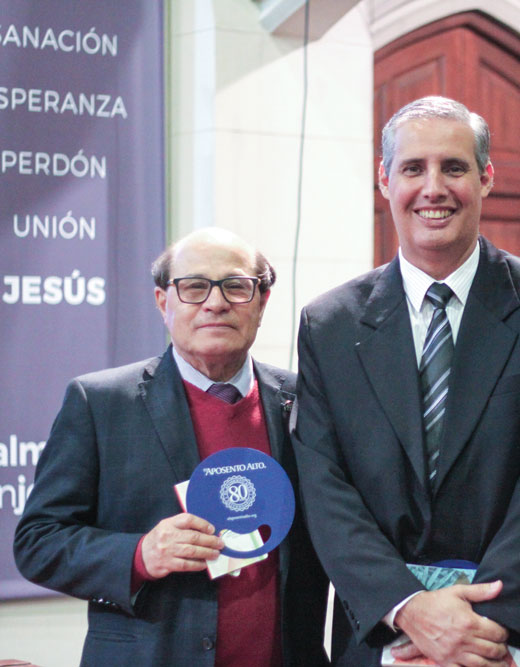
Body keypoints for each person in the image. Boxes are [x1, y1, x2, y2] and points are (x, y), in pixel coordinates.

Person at [293, 96, 520, 666]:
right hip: (387, 639)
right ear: (385, 181)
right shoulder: (329, 325)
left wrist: (482, 629)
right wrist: (409, 609)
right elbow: (326, 490)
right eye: (413, 168)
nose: (433, 187)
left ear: (486, 178)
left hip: (514, 638)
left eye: (454, 167)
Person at [14, 228, 329, 667]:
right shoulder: (101, 403)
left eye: (236, 287)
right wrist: (139, 554)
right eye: (194, 287)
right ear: (164, 302)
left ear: (262, 302)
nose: (215, 303)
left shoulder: (306, 402)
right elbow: (38, 542)